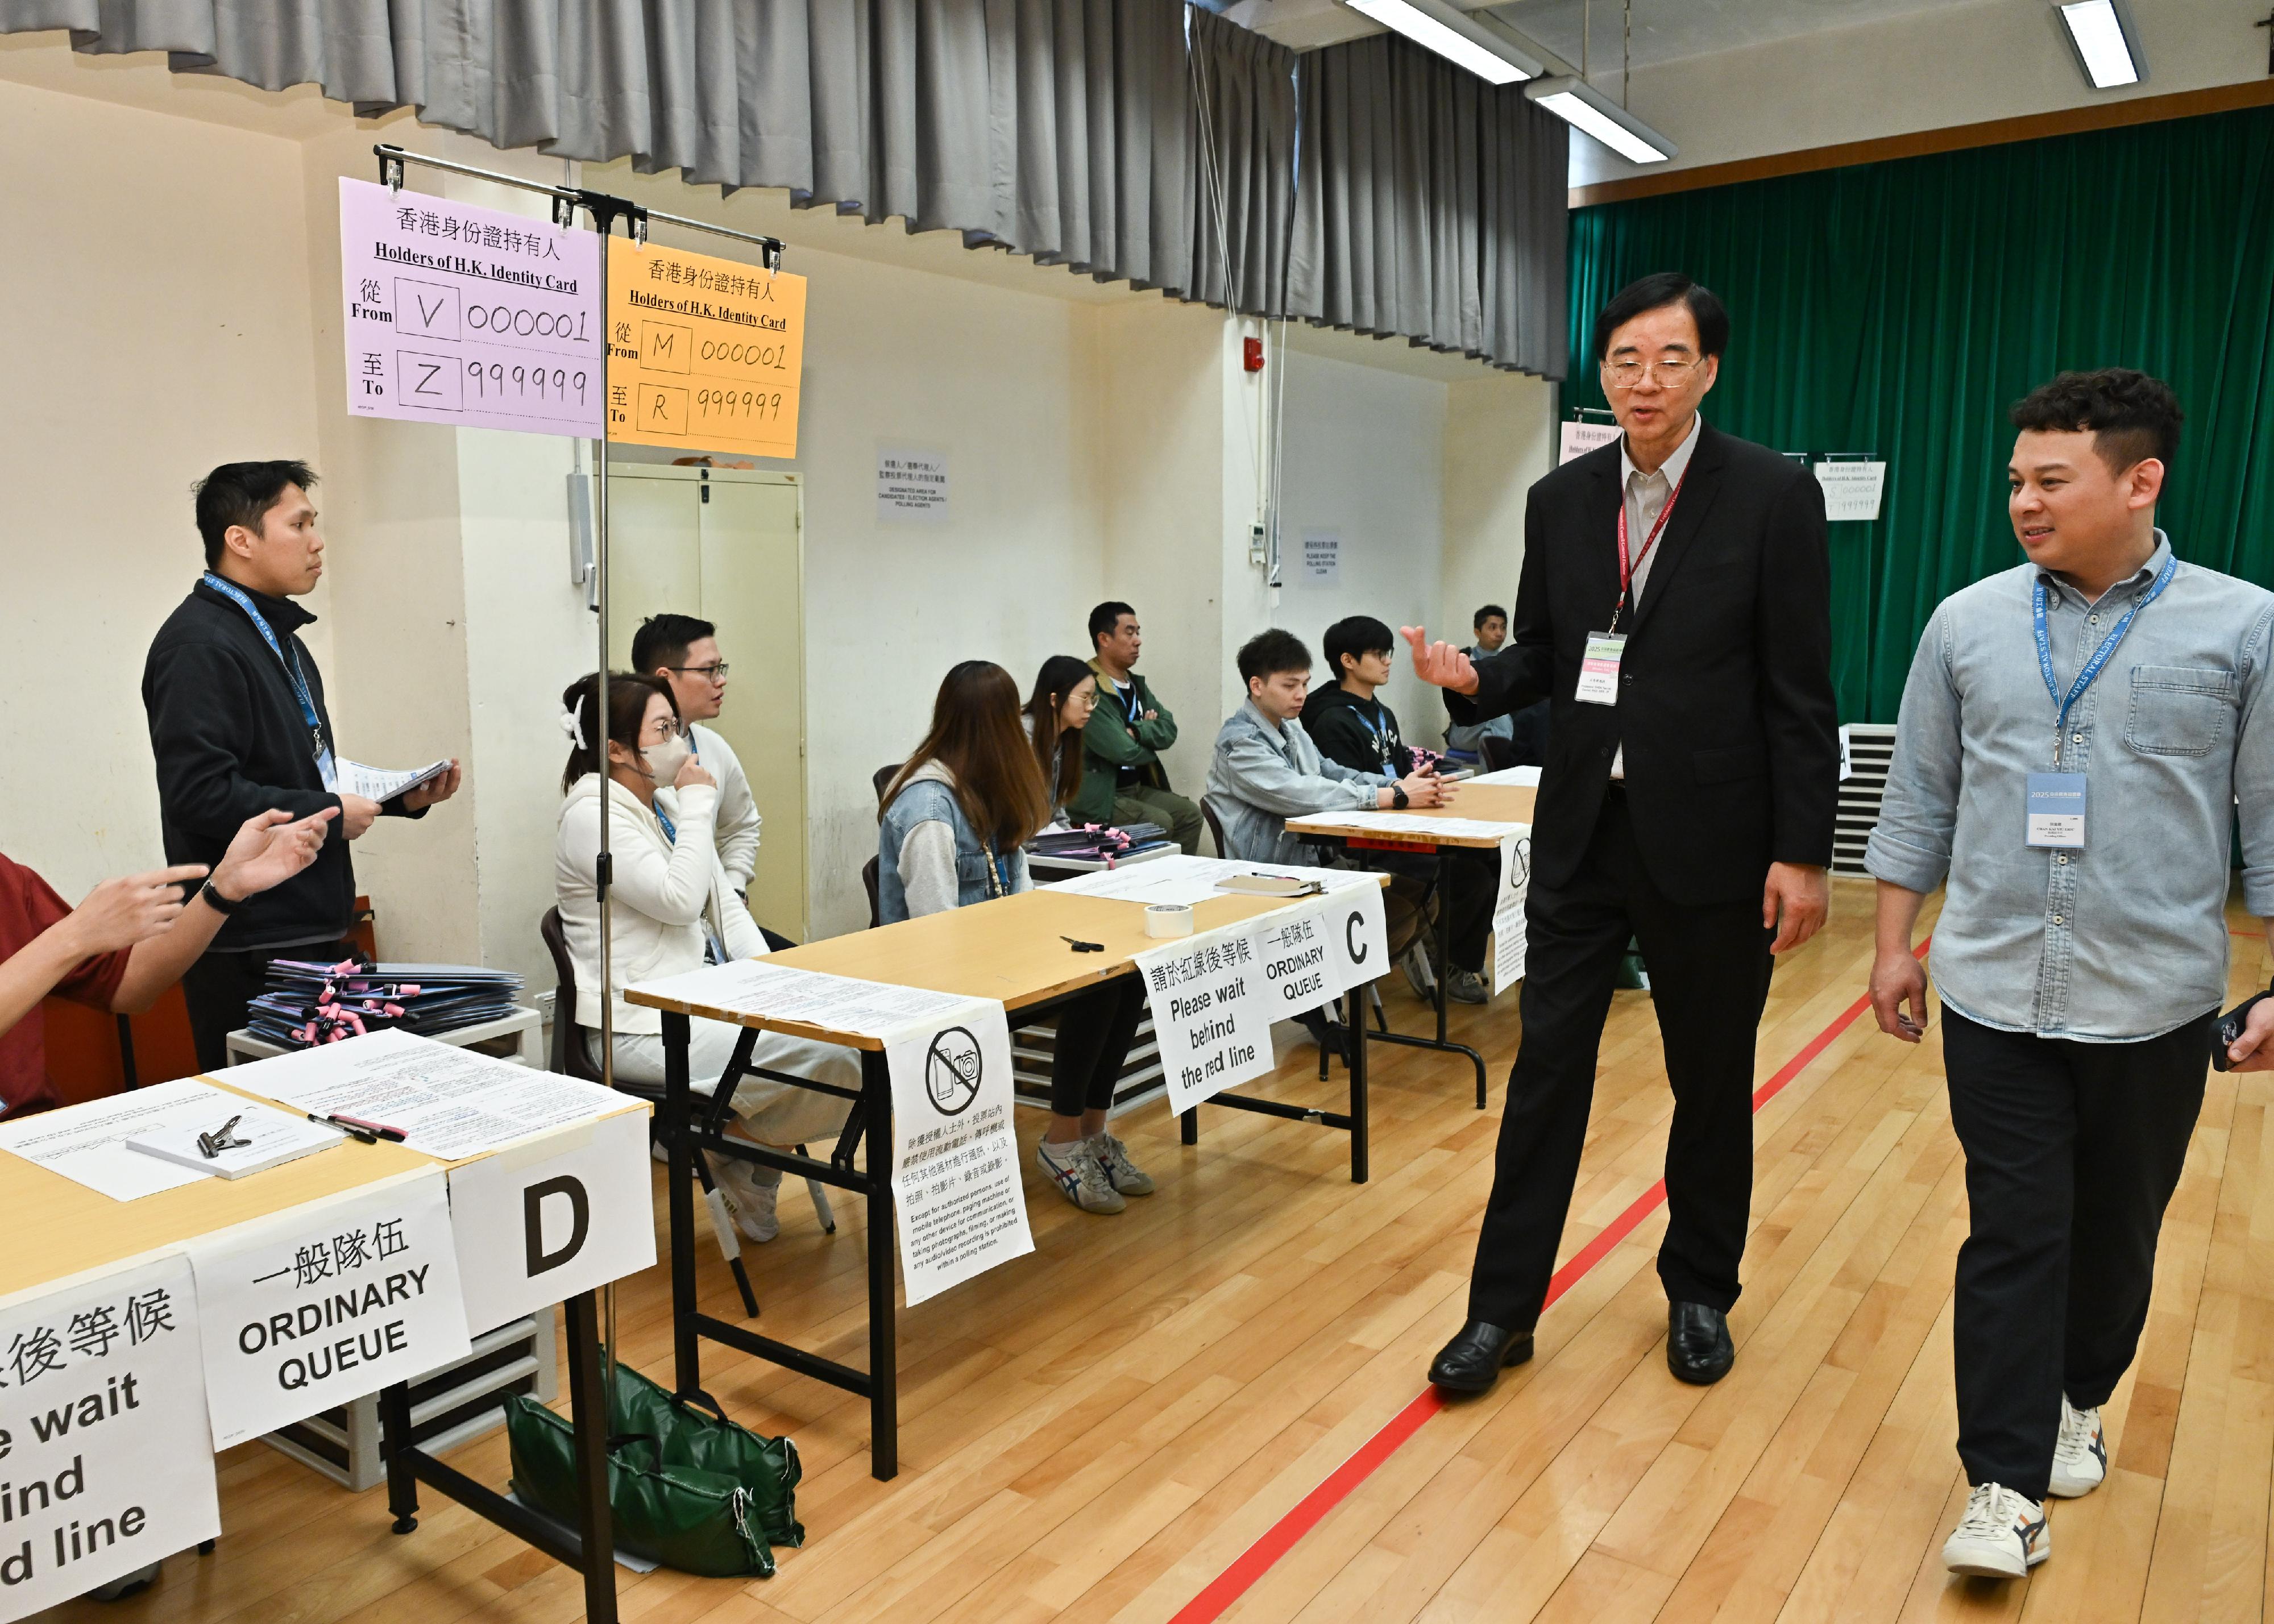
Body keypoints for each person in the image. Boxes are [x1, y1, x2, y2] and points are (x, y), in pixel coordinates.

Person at [1864, 370, 2274, 1580]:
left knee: (2114, 1232)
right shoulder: (1965, 621)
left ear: (2139, 480)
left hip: (2153, 1001)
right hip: (1991, 986)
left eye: (2050, 481)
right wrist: (1893, 941)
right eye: (2013, 482)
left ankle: (2076, 1397)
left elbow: (2268, 814)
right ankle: (1999, 1483)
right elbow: (1918, 798)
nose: (2021, 504)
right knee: (2008, 1229)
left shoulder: (2241, 625)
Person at [1404, 272, 1837, 1394]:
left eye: (1667, 359)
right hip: (1584, 832)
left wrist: (1801, 851)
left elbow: (1799, 689)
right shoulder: (1561, 499)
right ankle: (1500, 1309)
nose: (1642, 381)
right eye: (1622, 361)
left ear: (1707, 369)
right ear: (1599, 370)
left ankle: (1699, 1288)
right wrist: (1474, 680)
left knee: (1707, 1073)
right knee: (1546, 1071)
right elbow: (1550, 653)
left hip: (1717, 841)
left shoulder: (1769, 494)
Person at [143, 462, 462, 1070]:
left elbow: (296, 767)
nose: (318, 541)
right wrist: (329, 811)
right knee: (275, 1132)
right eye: (300, 524)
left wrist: (395, 799)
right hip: (250, 940)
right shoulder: (201, 645)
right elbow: (201, 794)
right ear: (241, 539)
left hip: (305, 923)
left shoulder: (273, 633)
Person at [554, 672, 848, 1243]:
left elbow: (724, 906)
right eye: (662, 731)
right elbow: (679, 900)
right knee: (822, 1058)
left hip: (699, 1002)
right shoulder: (590, 817)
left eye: (678, 729)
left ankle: (737, 1153)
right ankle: (736, 1152)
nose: (680, 747)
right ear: (616, 749)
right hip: (634, 1026)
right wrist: (697, 804)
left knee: (844, 1046)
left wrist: (776, 984)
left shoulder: (662, 800)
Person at [880, 661, 1153, 1214]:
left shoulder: (986, 789)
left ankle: (1090, 1133)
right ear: (993, 728)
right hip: (944, 979)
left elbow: (1021, 890)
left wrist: (1047, 945)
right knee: (1093, 991)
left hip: (998, 957)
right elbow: (935, 934)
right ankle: (1061, 1142)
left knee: (1121, 977)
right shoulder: (929, 806)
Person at [1208, 629, 1498, 1007]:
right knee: (1421, 890)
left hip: (1317, 858)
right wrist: (1390, 796)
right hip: (1273, 873)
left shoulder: (1292, 730)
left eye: (1305, 684)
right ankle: (1321, 991)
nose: (1301, 694)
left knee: (1425, 892)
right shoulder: (1239, 742)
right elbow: (1300, 794)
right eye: (1290, 684)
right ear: (1257, 685)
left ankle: (1343, 981)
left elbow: (1331, 772)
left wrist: (1398, 783)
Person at [1, 809, 337, 1118]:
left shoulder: (8, 882)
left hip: (32, 1127)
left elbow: (130, 986)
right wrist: (71, 937)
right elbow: (72, 943)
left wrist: (226, 888)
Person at [630, 613, 762, 899]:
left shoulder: (713, 746)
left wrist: (735, 886)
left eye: (721, 668)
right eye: (709, 671)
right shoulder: (629, 760)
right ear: (664, 678)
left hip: (715, 914)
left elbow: (742, 826)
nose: (722, 680)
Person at [1074, 602, 1205, 855]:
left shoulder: (1135, 684)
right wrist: (1147, 740)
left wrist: (1137, 731)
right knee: (1159, 822)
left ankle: (1176, 882)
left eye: (1138, 632)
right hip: (1101, 794)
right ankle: (1144, 887)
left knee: (1189, 815)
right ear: (1104, 639)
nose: (1138, 641)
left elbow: (1169, 729)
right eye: (1130, 632)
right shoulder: (1089, 684)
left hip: (1135, 787)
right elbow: (1122, 751)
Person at [1025, 655, 1099, 823]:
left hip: (1045, 838)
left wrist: (1074, 846)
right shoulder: (1024, 738)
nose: (1090, 707)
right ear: (1054, 699)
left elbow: (1057, 814)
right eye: (1084, 698)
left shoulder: (1066, 738)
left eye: (1093, 699)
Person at [1445, 605, 1523, 758]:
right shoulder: (1463, 660)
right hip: (1464, 732)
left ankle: (1496, 778)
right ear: (1477, 632)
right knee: (1497, 713)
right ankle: (1509, 771)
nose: (1499, 633)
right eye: (1492, 627)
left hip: (1495, 730)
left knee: (1488, 736)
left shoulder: (1508, 663)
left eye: (1503, 627)